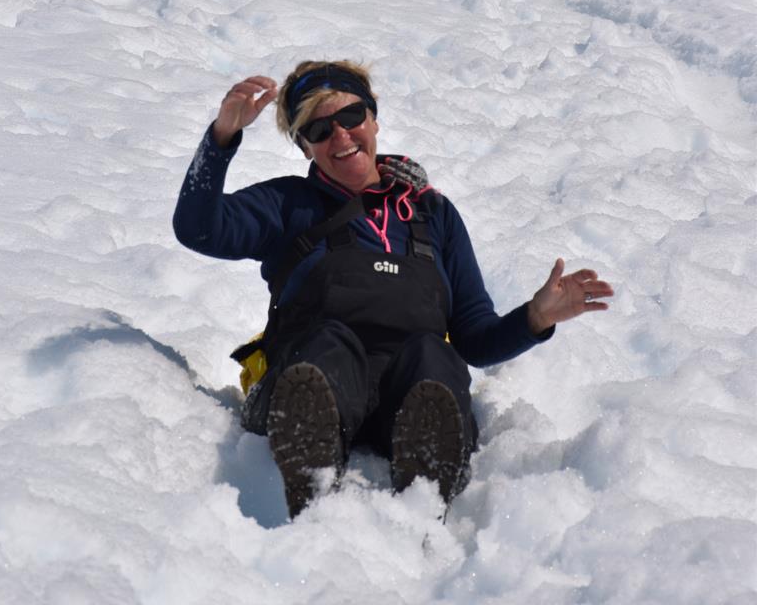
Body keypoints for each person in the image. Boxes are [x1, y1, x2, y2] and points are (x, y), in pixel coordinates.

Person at [173, 60, 614, 518]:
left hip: (410, 400)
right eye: (319, 130)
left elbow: (474, 339)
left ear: (373, 118)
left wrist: (536, 317)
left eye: (350, 117)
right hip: (314, 383)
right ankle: (309, 462)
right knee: (329, 344)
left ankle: (430, 473)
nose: (340, 136)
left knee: (433, 353)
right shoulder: (288, 205)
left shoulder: (433, 216)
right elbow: (197, 228)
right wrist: (222, 137)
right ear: (304, 147)